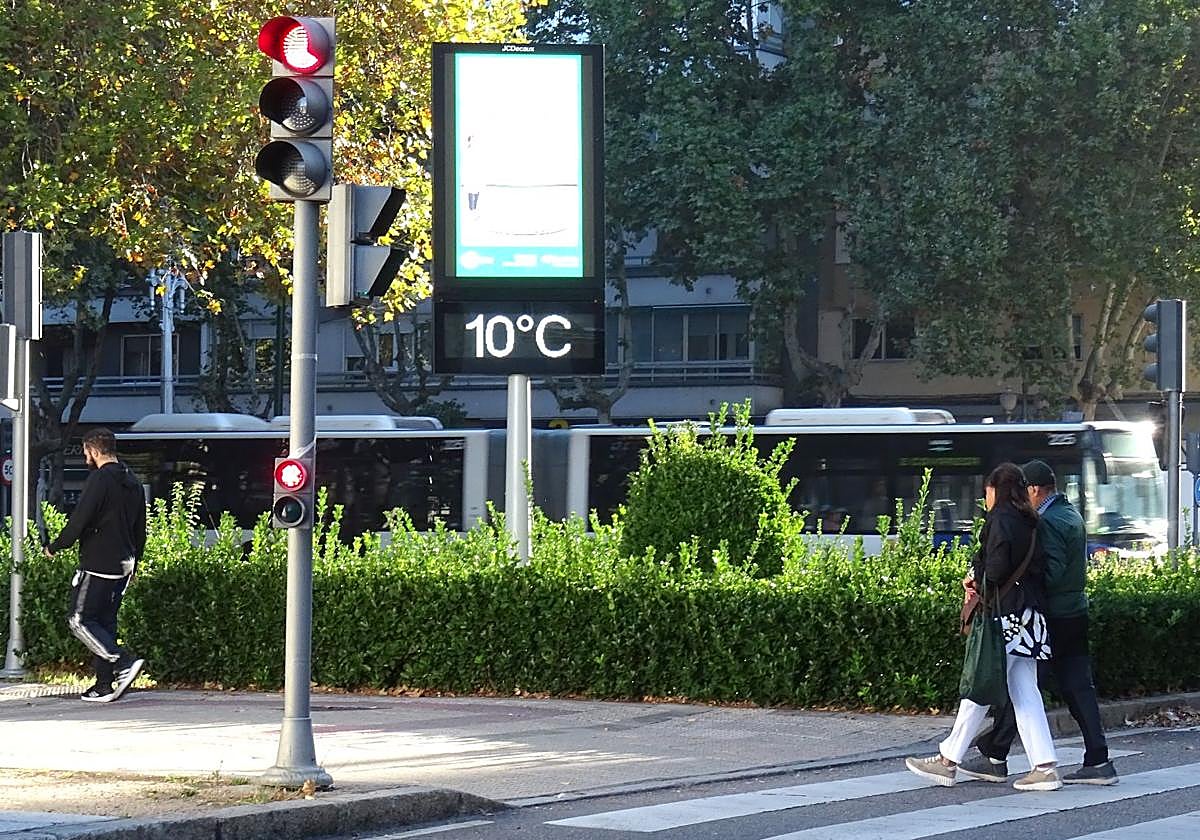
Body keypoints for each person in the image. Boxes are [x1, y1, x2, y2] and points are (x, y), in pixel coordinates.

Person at [959, 459, 1118, 785]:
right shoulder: (1070, 514)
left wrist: (1024, 586)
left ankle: (995, 755)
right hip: (1075, 611)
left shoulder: (1047, 522)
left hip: (1052, 615)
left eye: (1023, 491)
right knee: (1075, 687)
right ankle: (1098, 758)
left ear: (1033, 490)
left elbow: (1051, 572)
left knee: (1022, 686)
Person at [905, 462, 1061, 791]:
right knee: (1025, 693)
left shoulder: (1001, 519)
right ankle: (1044, 766)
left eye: (987, 491)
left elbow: (996, 568)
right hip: (1031, 618)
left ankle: (948, 761)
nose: (985, 498)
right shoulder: (1030, 520)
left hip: (1006, 617)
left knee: (980, 683)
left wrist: (976, 577)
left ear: (996, 490)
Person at [45, 428, 147, 703]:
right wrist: (136, 563)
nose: (85, 457)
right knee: (104, 623)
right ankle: (104, 685)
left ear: (93, 450)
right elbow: (140, 528)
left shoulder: (100, 479)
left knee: (79, 620)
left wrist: (55, 546)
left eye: (85, 452)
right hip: (124, 563)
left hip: (98, 562)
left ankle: (123, 661)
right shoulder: (132, 480)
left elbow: (80, 519)